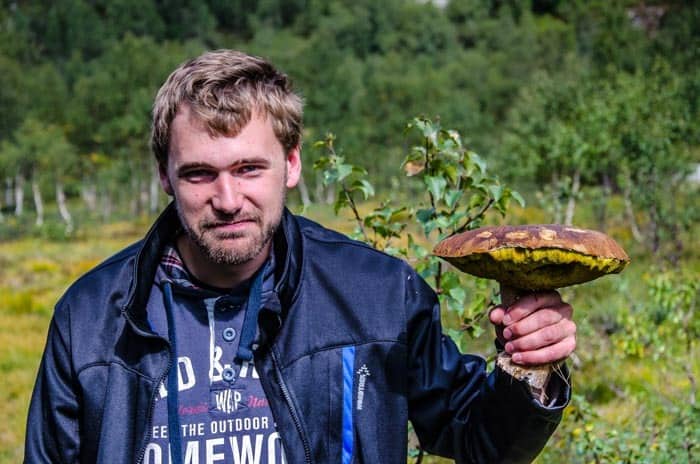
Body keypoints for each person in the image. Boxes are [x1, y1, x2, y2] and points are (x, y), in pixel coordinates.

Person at [25, 49, 576, 464]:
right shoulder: (91, 319)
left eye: (248, 169)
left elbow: (478, 435)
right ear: (165, 177)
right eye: (199, 173)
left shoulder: (377, 296)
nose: (227, 199)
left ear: (291, 165)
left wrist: (533, 369)